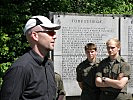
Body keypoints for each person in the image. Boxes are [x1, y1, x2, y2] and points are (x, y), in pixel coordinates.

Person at [0, 15, 61, 100]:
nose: (55, 36)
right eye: (50, 32)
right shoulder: (20, 68)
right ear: (35, 35)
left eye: (54, 32)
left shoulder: (48, 64)